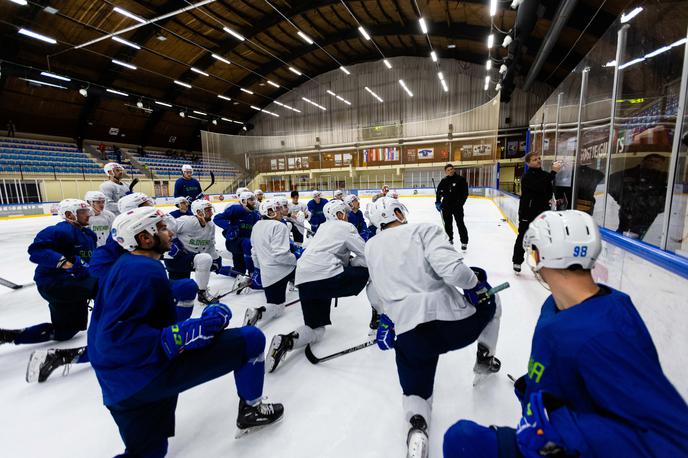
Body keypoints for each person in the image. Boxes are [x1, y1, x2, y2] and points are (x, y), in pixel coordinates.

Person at [443, 210, 688, 458]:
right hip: (546, 432)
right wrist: (537, 386)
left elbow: (673, 440)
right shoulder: (560, 304)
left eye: (534, 251)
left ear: (542, 256)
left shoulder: (604, 336)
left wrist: (561, 440)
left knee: (462, 440)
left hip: (560, 446)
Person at [88, 207, 284, 456]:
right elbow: (116, 338)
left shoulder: (125, 266)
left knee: (148, 453)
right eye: (160, 228)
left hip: (118, 389)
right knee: (251, 339)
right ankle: (252, 410)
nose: (169, 232)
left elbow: (105, 331)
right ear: (145, 238)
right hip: (146, 376)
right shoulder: (143, 271)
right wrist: (193, 330)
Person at [365, 196, 502, 458]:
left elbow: (376, 291)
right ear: (399, 213)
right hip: (452, 324)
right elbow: (454, 271)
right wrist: (476, 286)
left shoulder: (371, 247)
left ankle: (416, 428)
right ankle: (485, 358)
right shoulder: (424, 230)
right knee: (492, 299)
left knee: (416, 392)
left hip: (409, 333)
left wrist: (386, 318)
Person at [266, 200, 371, 373]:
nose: (347, 215)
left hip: (304, 279)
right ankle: (378, 316)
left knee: (316, 329)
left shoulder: (322, 228)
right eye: (344, 212)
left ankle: (287, 340)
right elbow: (368, 254)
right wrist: (355, 261)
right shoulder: (345, 227)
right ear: (338, 214)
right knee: (369, 270)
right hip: (326, 276)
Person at [0, 199, 98, 347]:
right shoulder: (60, 230)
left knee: (67, 331)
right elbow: (36, 250)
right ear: (69, 215)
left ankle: (12, 335)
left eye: (87, 211)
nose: (87, 215)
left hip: (72, 283)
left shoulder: (89, 235)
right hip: (55, 284)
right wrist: (62, 262)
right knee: (102, 286)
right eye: (82, 212)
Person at [244, 199, 300, 327]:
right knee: (309, 273)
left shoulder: (257, 225)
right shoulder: (279, 226)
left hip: (268, 276)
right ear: (269, 212)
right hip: (285, 271)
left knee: (277, 307)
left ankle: (258, 313)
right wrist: (296, 257)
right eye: (277, 209)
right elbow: (281, 255)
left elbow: (254, 252)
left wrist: (258, 269)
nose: (281, 212)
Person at [164, 200, 221, 304]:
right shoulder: (187, 221)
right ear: (199, 212)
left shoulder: (211, 226)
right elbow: (166, 227)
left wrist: (216, 258)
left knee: (205, 258)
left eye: (210, 210)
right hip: (176, 258)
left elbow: (210, 244)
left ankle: (202, 293)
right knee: (176, 294)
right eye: (207, 210)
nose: (211, 213)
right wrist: (174, 242)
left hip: (190, 258)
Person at [511, 153, 561, 273]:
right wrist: (553, 173)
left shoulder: (545, 175)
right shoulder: (527, 177)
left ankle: (541, 263)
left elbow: (547, 190)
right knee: (522, 236)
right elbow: (539, 186)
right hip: (527, 212)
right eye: (534, 160)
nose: (538, 161)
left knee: (543, 238)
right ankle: (517, 261)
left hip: (542, 212)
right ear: (528, 163)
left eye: (539, 159)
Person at [608, 154, 668, 239]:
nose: (655, 164)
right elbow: (611, 186)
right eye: (652, 161)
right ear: (644, 161)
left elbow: (664, 197)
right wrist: (625, 202)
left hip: (647, 219)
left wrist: (656, 208)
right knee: (620, 239)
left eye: (658, 162)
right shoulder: (628, 173)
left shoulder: (663, 177)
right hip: (627, 217)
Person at [214, 191, 260, 276]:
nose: (254, 202)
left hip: (244, 245)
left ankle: (217, 268)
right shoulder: (235, 209)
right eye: (251, 199)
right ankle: (252, 272)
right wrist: (229, 227)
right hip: (233, 242)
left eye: (254, 199)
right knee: (248, 243)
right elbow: (217, 218)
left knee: (239, 272)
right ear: (243, 201)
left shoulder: (254, 214)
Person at [435, 163, 469, 250]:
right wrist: (438, 202)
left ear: (454, 169)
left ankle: (464, 242)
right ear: (446, 172)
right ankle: (450, 239)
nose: (450, 171)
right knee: (448, 224)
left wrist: (460, 203)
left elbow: (465, 193)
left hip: (457, 206)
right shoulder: (444, 181)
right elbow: (439, 192)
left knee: (460, 224)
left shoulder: (460, 179)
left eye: (451, 169)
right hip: (446, 206)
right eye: (448, 170)